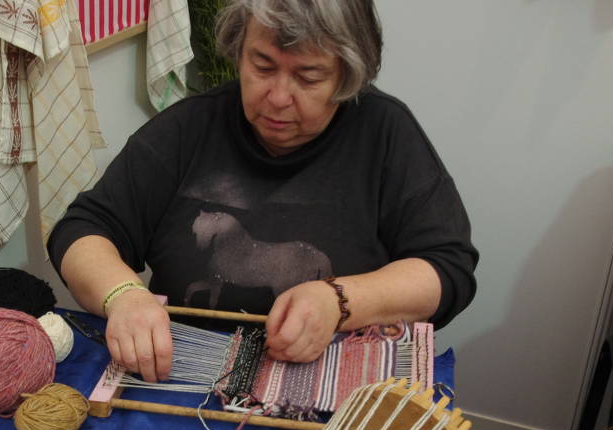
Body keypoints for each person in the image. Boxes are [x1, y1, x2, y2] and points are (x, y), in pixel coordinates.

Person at [48, 0, 478, 383]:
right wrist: (123, 294)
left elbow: (446, 267)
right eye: (263, 66)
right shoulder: (189, 129)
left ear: (348, 75)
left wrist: (340, 301)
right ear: (239, 51)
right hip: (184, 381)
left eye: (308, 77)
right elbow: (82, 229)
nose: (277, 98)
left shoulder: (385, 134)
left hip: (334, 395)